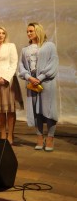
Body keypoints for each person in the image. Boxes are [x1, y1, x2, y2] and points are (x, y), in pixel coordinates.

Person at [19, 22, 59, 151]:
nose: (29, 33)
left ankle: (50, 137)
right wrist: (29, 77)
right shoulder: (25, 49)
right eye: (27, 31)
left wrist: (40, 77)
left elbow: (53, 63)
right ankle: (39, 137)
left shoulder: (49, 46)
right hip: (31, 83)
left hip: (46, 83)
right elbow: (21, 66)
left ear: (38, 31)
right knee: (36, 112)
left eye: (31, 31)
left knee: (49, 110)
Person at [0, 27, 23, 144]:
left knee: (10, 110)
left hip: (9, 81)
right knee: (0, 110)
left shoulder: (11, 46)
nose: (1, 35)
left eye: (3, 33)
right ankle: (2, 134)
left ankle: (10, 135)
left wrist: (5, 78)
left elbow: (14, 63)